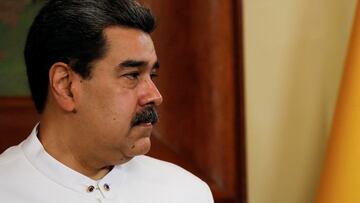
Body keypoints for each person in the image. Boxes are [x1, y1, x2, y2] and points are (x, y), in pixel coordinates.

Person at [0, 0, 214, 202]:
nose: (155, 96)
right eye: (132, 75)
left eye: (152, 76)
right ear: (66, 85)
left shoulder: (187, 193)